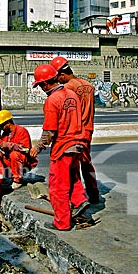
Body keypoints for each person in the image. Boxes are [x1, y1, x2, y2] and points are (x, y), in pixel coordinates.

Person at [30, 64, 89, 231]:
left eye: (40, 85)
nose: (41, 89)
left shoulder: (52, 101)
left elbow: (49, 131)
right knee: (74, 177)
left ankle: (62, 223)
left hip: (63, 148)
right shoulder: (72, 95)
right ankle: (79, 201)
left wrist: (38, 148)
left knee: (58, 187)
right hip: (78, 144)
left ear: (45, 84)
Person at [50, 56, 100, 204]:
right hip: (88, 129)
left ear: (62, 75)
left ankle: (77, 199)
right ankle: (93, 193)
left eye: (57, 78)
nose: (57, 81)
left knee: (72, 166)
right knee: (87, 163)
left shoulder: (67, 88)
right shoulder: (88, 86)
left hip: (76, 132)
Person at [0, 109, 38, 190]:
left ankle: (18, 180)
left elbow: (26, 149)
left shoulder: (22, 131)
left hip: (24, 160)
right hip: (11, 161)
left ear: (8, 123)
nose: (1, 128)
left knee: (14, 154)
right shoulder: (5, 134)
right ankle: (5, 176)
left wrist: (9, 145)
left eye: (2, 125)